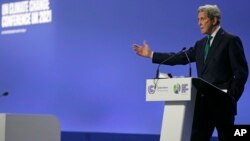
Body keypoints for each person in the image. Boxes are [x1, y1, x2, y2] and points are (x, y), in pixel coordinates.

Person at [132, 4, 248, 141]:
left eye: (202, 19)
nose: (199, 23)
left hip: (222, 104)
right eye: (198, 19)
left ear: (214, 20)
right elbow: (180, 57)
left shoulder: (230, 40)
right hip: (202, 105)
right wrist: (151, 54)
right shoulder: (200, 44)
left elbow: (241, 72)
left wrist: (231, 97)